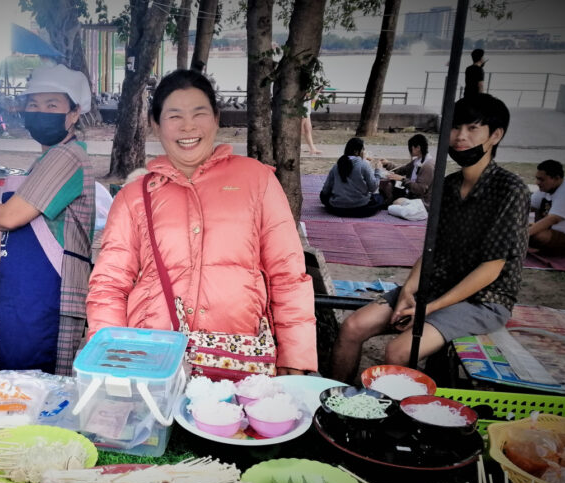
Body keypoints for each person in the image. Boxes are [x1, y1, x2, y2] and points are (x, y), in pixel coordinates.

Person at [86, 69, 317, 374]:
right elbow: (109, 285)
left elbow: (288, 275)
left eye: (199, 113)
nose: (188, 126)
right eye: (174, 116)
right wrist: (111, 358)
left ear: (216, 117)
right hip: (152, 363)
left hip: (241, 361)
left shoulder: (257, 180)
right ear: (156, 125)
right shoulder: (134, 196)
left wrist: (295, 355)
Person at [332, 94, 529, 383]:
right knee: (352, 327)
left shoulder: (510, 190)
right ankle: (338, 406)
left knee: (398, 351)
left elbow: (491, 269)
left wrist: (427, 309)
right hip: (435, 288)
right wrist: (410, 292)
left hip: (483, 300)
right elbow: (431, 249)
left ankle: (397, 425)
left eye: (473, 128)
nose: (461, 137)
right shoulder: (448, 187)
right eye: (455, 127)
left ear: (495, 135)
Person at [0, 64, 95, 376]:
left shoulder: (67, 157)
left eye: (52, 105)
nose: (40, 112)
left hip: (47, 296)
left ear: (74, 113)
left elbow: (10, 216)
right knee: (17, 385)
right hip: (24, 294)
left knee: (36, 387)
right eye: (33, 104)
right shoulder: (47, 159)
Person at [320, 137, 385, 218]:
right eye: (363, 150)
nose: (364, 152)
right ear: (356, 151)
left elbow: (326, 190)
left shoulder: (337, 165)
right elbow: (373, 188)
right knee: (380, 198)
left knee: (323, 196)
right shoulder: (364, 165)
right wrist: (378, 170)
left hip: (337, 208)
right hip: (359, 208)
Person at [381, 134, 435, 204]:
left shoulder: (428, 166)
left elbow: (420, 189)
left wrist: (402, 179)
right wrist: (387, 164)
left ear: (418, 148)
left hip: (422, 202)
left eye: (410, 148)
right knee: (388, 186)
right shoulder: (417, 161)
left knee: (394, 205)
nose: (409, 150)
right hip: (411, 194)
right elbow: (401, 169)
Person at [302, 90, 322, 155]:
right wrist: (315, 92)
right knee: (300, 130)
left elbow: (312, 101)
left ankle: (313, 148)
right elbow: (306, 93)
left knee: (308, 129)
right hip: (302, 109)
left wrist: (316, 94)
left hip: (307, 109)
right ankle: (295, 147)